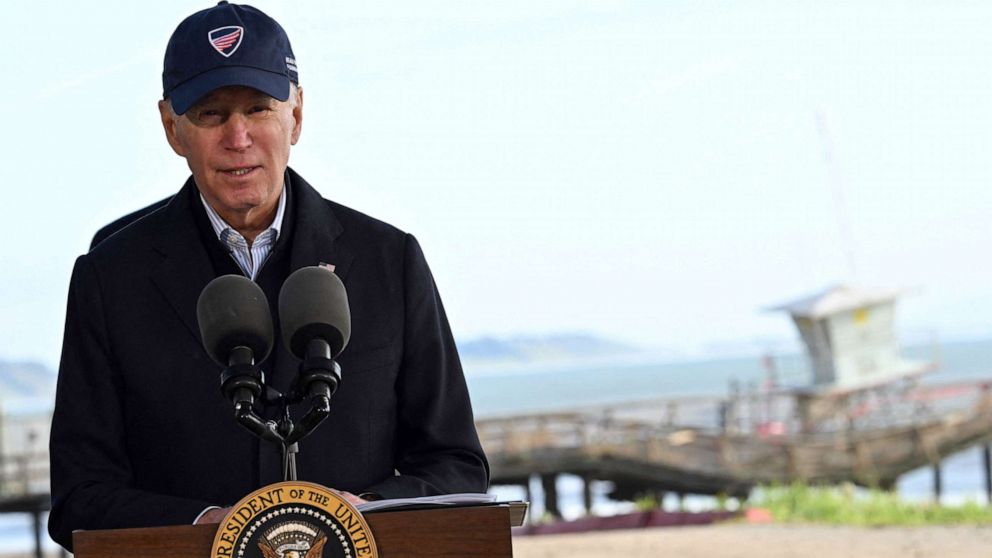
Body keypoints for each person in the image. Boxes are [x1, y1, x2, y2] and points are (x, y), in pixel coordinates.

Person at [48, 1, 489, 550]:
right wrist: (208, 528)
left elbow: (458, 467)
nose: (238, 138)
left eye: (258, 109)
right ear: (171, 127)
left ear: (296, 116)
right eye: (211, 114)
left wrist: (365, 513)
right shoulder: (109, 278)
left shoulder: (389, 261)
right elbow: (78, 498)